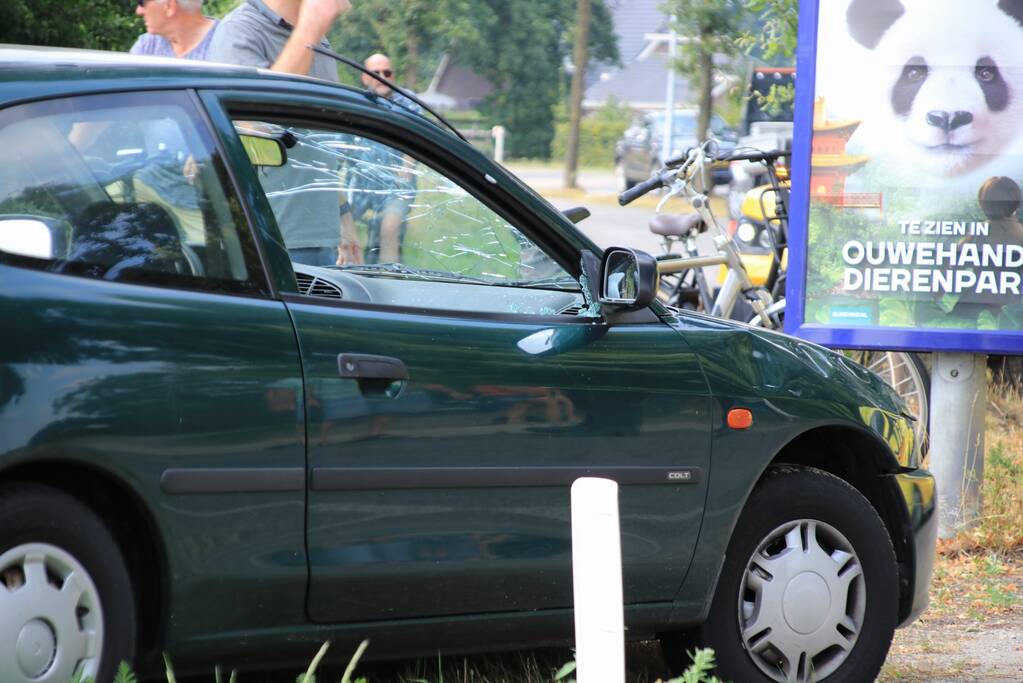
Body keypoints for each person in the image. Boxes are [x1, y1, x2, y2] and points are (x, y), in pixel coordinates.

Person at [208, 0, 360, 265]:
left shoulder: (318, 40)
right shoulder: (239, 31)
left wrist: (344, 218)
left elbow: (320, 142)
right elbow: (256, 125)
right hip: (272, 241)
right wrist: (310, 27)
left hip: (322, 235)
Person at [348, 53, 421, 263]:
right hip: (360, 183)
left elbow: (417, 134)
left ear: (393, 76)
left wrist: (407, 166)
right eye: (376, 73)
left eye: (387, 72)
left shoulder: (406, 102)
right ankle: (353, 278)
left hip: (396, 184)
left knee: (389, 229)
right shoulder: (356, 102)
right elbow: (343, 142)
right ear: (365, 77)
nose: (382, 77)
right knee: (339, 227)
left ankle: (388, 283)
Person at [131, 0, 218, 60]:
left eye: (142, 3)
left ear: (169, 6)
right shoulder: (146, 46)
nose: (138, 11)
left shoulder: (226, 41)